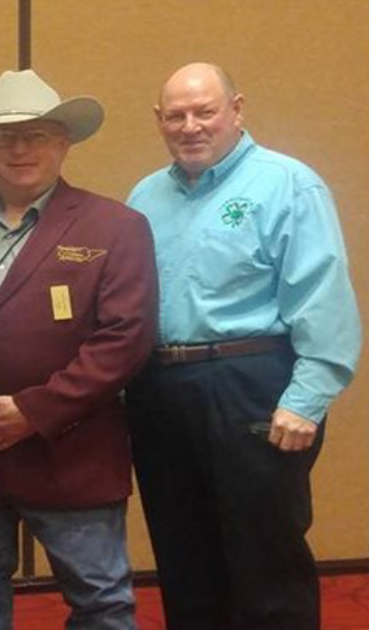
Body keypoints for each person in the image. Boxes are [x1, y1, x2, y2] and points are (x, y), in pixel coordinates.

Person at [126, 62, 362, 630]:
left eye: (204, 111)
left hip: (254, 384)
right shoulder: (145, 195)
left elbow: (322, 296)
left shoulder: (286, 183)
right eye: (176, 115)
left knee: (266, 560)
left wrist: (308, 398)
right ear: (158, 121)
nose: (190, 126)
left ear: (237, 110)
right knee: (183, 557)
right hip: (160, 390)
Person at [0, 69, 159, 630]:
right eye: (4, 137)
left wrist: (35, 412)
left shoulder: (117, 226)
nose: (20, 148)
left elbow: (124, 339)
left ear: (64, 143)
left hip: (72, 453)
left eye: (36, 134)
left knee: (100, 602)